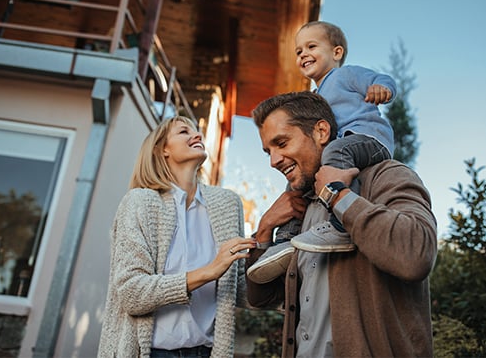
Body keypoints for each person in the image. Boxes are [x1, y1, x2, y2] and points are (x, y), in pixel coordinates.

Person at [246, 91, 438, 357]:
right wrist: (265, 228)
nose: (274, 160)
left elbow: (416, 254)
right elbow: (261, 298)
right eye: (269, 151)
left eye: (282, 143)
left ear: (321, 132)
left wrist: (336, 195)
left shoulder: (386, 176)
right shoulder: (300, 210)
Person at [247, 21, 397, 284]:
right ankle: (286, 241)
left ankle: (340, 226)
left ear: (336, 53)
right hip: (342, 146)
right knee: (293, 189)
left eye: (311, 46)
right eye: (298, 51)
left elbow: (380, 79)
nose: (303, 54)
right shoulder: (314, 96)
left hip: (366, 138)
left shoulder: (345, 76)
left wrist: (382, 89)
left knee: (334, 154)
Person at [98, 116, 256, 358]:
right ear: (162, 150)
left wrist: (265, 231)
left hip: (207, 352)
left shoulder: (227, 204)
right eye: (184, 131)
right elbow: (132, 293)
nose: (197, 135)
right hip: (151, 353)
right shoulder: (140, 202)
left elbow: (239, 290)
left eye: (197, 131)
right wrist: (208, 272)